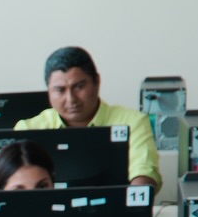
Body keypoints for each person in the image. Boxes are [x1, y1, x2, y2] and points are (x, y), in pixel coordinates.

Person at [16, 46, 160, 189]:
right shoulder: (28, 130)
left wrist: (132, 207)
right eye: (60, 90)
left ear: (97, 82)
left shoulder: (133, 122)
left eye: (78, 86)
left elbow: (144, 173)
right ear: (48, 90)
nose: (71, 99)